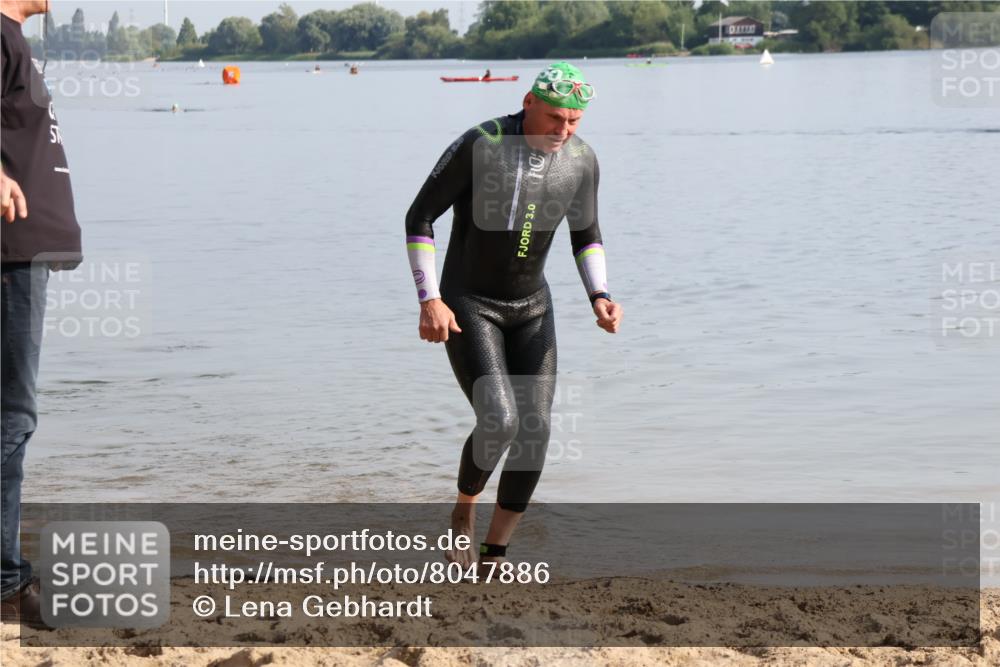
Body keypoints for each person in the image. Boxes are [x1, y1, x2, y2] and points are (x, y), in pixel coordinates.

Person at [405, 62, 622, 570]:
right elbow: (419, 217)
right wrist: (429, 299)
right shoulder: (482, 144)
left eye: (573, 121)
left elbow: (586, 234)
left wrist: (600, 295)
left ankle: (495, 551)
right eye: (554, 118)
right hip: (469, 303)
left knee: (535, 430)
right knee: (500, 420)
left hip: (532, 307)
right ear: (528, 102)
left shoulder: (582, 160)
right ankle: (464, 510)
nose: (563, 130)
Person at [1, 0, 83, 627]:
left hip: (23, 250)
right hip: (10, 251)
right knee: (12, 416)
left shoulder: (12, 39)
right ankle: (6, 583)